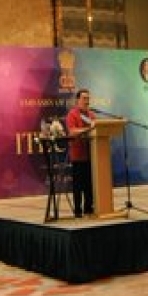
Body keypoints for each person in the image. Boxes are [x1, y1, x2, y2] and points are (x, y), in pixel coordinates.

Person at [65, 88, 96, 218]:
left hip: (92, 155)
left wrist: (92, 129)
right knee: (78, 185)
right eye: (84, 98)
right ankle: (77, 210)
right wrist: (87, 130)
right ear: (77, 100)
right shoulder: (72, 114)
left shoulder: (92, 115)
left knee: (89, 184)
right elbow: (72, 131)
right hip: (78, 155)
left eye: (88, 98)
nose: (86, 101)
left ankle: (88, 208)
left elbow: (97, 129)